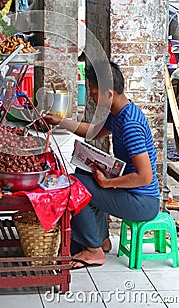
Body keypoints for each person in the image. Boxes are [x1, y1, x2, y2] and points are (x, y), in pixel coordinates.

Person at [44, 60, 160, 269]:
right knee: (84, 173)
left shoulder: (130, 124)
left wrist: (108, 184)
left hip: (142, 201)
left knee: (75, 185)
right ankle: (101, 241)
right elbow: (94, 131)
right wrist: (59, 121)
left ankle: (93, 250)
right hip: (133, 195)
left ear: (109, 93)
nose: (91, 97)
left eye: (94, 92)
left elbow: (145, 177)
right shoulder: (120, 114)